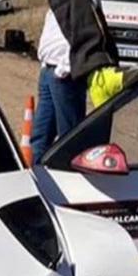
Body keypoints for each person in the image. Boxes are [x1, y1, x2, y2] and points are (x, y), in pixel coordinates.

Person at [30, 9, 87, 163]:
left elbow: (85, 30)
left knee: (69, 138)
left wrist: (66, 67)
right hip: (49, 70)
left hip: (64, 73)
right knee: (40, 137)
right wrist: (44, 64)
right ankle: (36, 174)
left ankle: (68, 177)